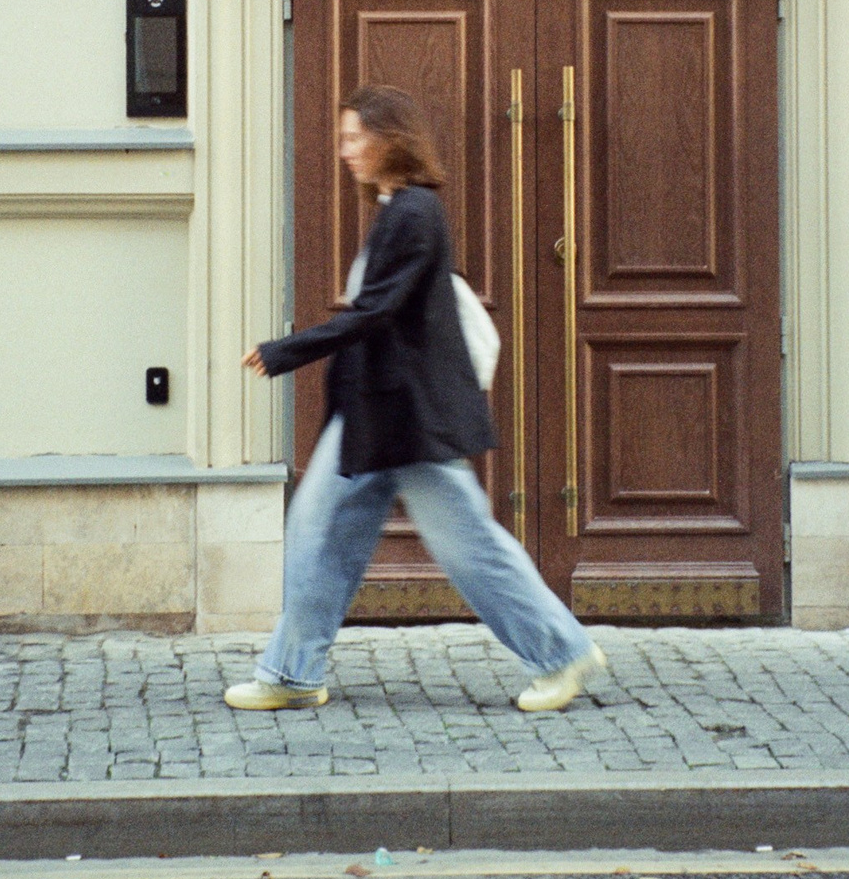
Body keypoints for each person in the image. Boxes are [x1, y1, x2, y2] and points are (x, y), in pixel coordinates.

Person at [226, 84, 608, 714]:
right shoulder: (397, 210)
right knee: (318, 533)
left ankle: (562, 654)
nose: (345, 150)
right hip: (377, 417)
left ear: (388, 139)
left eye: (355, 138)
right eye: (343, 138)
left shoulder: (414, 214)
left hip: (407, 420)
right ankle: (292, 673)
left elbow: (377, 313)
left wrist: (286, 351)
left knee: (468, 547)